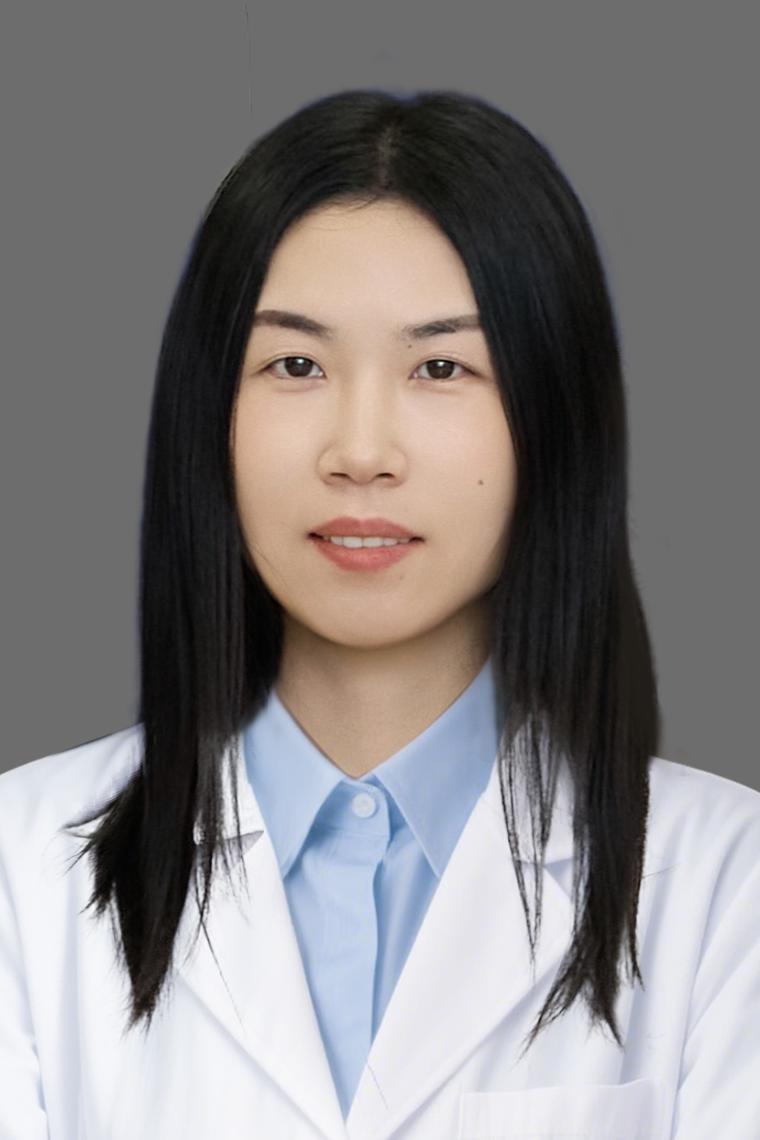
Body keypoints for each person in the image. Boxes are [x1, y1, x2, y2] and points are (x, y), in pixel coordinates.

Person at [1, 88, 758, 1140]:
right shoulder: (21, 869)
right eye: (296, 365)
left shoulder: (727, 888)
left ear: (553, 417)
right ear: (209, 414)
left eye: (441, 366)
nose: (360, 451)